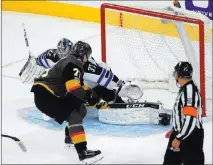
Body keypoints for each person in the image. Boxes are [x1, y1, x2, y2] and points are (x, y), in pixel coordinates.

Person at [30, 41, 103, 164]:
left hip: (46, 94)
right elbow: (73, 88)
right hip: (46, 95)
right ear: (84, 55)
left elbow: (80, 86)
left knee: (80, 108)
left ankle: (70, 138)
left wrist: (95, 99)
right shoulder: (73, 63)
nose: (87, 59)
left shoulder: (69, 61)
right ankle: (83, 153)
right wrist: (89, 98)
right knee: (74, 115)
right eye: (87, 56)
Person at [35, 38, 125, 108]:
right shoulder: (52, 56)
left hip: (96, 79)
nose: (64, 58)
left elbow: (104, 76)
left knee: (101, 91)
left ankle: (117, 99)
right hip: (77, 81)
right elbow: (38, 61)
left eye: (66, 55)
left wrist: (119, 85)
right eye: (61, 55)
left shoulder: (84, 65)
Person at [163, 61, 204, 165]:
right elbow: (183, 114)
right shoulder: (185, 89)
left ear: (178, 75)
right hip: (181, 133)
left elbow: (190, 119)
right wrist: (175, 129)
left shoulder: (189, 92)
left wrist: (179, 138)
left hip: (190, 137)